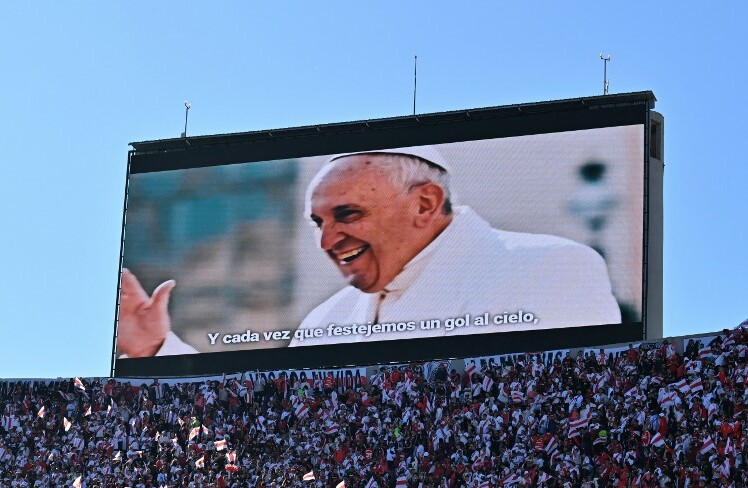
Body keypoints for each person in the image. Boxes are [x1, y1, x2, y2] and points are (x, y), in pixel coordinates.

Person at [117, 147, 622, 357]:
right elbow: (272, 434)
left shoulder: (551, 268)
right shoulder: (323, 321)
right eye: (318, 222)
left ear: (425, 203)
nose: (326, 241)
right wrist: (159, 349)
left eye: (347, 215)